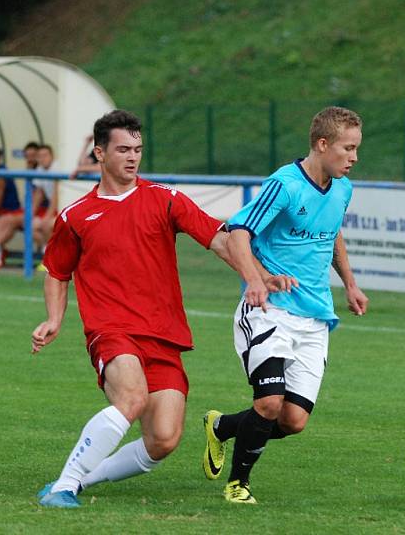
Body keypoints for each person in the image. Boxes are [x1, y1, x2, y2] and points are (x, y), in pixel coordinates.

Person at [32, 110, 289, 509]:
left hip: (163, 334)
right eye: (122, 149)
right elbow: (57, 271)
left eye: (137, 149)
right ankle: (64, 487)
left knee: (163, 440)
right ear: (99, 153)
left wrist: (257, 274)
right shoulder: (76, 216)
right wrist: (54, 319)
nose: (132, 157)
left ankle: (78, 481)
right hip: (111, 329)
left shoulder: (164, 199)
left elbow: (219, 240)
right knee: (131, 398)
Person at [202, 106, 369, 504]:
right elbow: (237, 233)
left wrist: (350, 283)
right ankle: (238, 484)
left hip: (315, 317)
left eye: (357, 148)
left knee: (293, 421)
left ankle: (221, 426)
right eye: (348, 148)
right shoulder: (285, 184)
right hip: (270, 311)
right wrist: (256, 281)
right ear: (323, 144)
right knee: (269, 402)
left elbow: (332, 233)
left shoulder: (342, 189)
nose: (354, 157)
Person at [0, 144, 56, 268]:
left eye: (37, 156)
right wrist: (28, 213)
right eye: (28, 156)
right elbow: (37, 196)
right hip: (35, 210)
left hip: (49, 211)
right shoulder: (39, 170)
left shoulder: (54, 169)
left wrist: (31, 215)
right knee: (3, 220)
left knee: (32, 226)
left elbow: (52, 199)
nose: (32, 159)